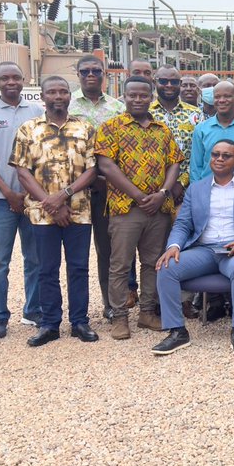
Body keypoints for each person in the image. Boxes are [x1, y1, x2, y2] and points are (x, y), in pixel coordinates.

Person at [152, 139, 234, 357]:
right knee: (166, 267)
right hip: (204, 250)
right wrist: (174, 246)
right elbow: (183, 224)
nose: (219, 159)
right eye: (215, 154)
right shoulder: (196, 189)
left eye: (226, 155)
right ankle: (177, 331)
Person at [10, 76, 100, 347]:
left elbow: (93, 170)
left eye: (63, 91)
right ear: (42, 96)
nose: (58, 96)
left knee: (79, 268)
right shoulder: (28, 129)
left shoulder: (85, 128)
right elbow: (22, 171)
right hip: (42, 213)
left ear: (70, 96)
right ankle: (49, 323)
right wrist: (49, 202)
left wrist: (63, 196)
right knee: (46, 269)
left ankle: (79, 321)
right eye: (52, 92)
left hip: (79, 211)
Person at [95, 76, 183, 340]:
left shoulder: (161, 129)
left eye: (143, 95)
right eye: (132, 95)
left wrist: (163, 193)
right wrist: (139, 195)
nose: (137, 99)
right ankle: (119, 317)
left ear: (151, 97)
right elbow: (106, 165)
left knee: (153, 263)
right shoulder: (111, 128)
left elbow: (174, 162)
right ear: (124, 97)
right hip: (126, 208)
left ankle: (147, 312)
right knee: (120, 264)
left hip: (158, 208)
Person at [0, 62, 43, 338]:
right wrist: (8, 192)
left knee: (34, 258)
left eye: (16, 77)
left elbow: (42, 155)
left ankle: (33, 310)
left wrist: (29, 193)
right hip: (0, 200)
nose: (11, 82)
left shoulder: (36, 111)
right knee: (0, 261)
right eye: (5, 78)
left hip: (32, 199)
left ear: (24, 80)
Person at [69, 55, 125, 318]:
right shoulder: (66, 104)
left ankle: (110, 304)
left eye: (96, 71)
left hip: (106, 189)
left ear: (104, 74)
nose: (90, 75)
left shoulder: (117, 108)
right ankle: (76, 311)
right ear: (78, 74)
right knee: (76, 255)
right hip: (73, 189)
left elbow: (123, 148)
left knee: (107, 250)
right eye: (85, 71)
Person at [189, 81, 234, 185]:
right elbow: (195, 168)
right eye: (217, 97)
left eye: (227, 96)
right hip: (208, 190)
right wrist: (197, 192)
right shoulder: (201, 130)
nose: (222, 100)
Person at [151, 65, 202, 205]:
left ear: (180, 83)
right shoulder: (146, 113)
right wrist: (163, 191)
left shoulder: (196, 114)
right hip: (152, 193)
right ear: (154, 82)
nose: (169, 85)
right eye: (163, 81)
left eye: (174, 82)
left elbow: (201, 154)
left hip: (189, 192)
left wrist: (181, 183)